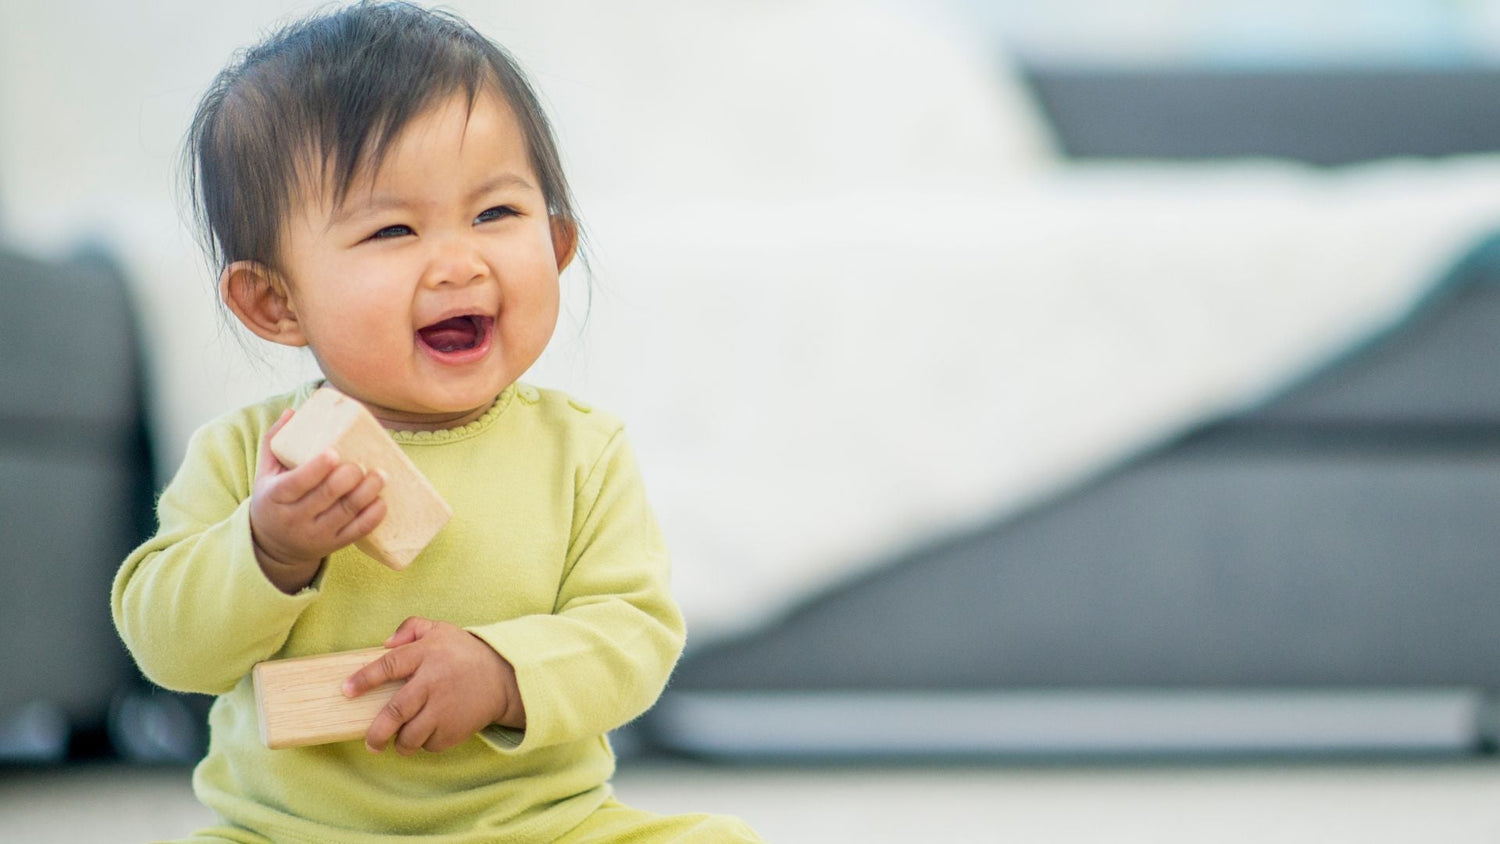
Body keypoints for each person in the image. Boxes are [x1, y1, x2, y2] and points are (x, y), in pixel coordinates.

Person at [110, 3, 760, 841]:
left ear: (557, 243)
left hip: (539, 826)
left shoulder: (581, 453)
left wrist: (501, 673)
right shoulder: (249, 457)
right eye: (393, 228)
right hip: (290, 832)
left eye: (496, 214)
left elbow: (631, 638)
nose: (460, 262)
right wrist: (268, 550)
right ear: (274, 301)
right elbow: (170, 649)